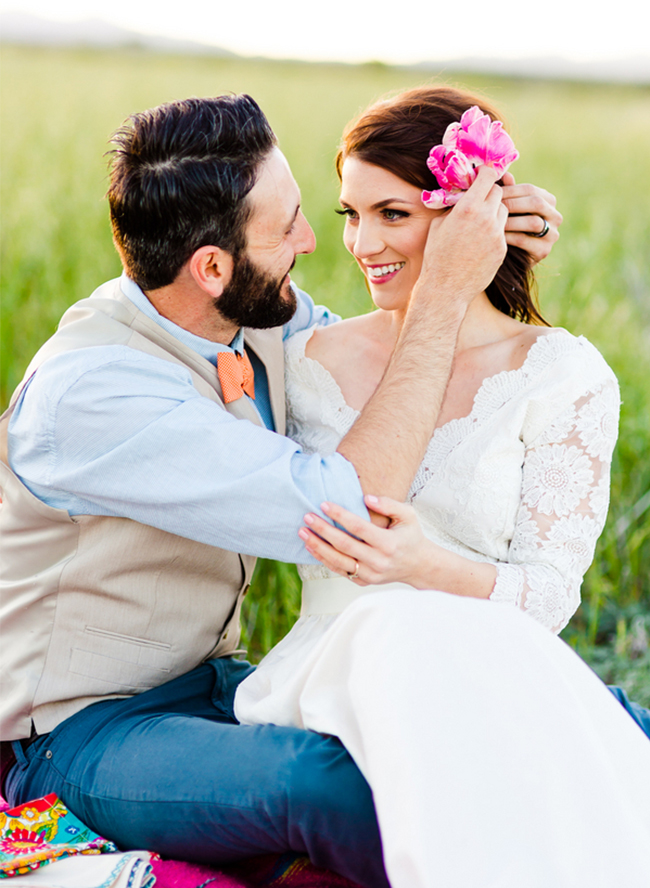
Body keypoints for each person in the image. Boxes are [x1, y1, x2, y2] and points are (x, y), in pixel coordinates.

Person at [0, 93, 564, 885]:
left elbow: (389, 363)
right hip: (84, 731)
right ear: (212, 266)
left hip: (222, 685)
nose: (309, 241)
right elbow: (351, 509)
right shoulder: (93, 394)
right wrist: (439, 293)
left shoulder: (245, 315)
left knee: (535, 717)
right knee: (332, 784)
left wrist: (482, 240)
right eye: (288, 225)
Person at [234, 87, 650, 886]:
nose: (360, 243)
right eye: (351, 214)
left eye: (393, 213)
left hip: (495, 673)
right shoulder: (304, 357)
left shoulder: (563, 376)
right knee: (396, 640)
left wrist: (427, 565)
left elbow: (551, 594)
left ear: (470, 220)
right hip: (329, 673)